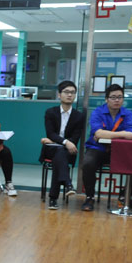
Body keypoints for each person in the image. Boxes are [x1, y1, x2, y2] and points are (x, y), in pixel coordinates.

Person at [80, 84, 132, 211]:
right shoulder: (98, 112)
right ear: (106, 99)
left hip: (120, 151)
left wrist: (106, 134)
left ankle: (124, 196)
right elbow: (98, 133)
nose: (117, 100)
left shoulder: (127, 114)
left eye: (120, 97)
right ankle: (89, 197)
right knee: (88, 163)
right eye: (113, 97)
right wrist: (123, 134)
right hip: (97, 148)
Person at [39, 81, 85, 210]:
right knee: (59, 155)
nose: (70, 95)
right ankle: (67, 184)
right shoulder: (50, 112)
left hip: (68, 151)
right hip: (51, 149)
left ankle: (53, 198)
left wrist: (58, 141)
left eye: (72, 92)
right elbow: (50, 133)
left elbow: (75, 138)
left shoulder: (79, 116)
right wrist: (65, 142)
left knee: (59, 156)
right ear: (59, 95)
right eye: (66, 92)